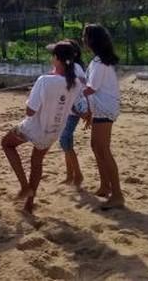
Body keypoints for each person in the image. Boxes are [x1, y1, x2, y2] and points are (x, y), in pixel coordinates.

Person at [1, 41, 81, 213]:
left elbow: (30, 111)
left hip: (34, 127)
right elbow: (73, 106)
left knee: (6, 144)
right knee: (36, 162)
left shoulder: (44, 80)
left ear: (56, 58)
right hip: (54, 130)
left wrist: (33, 94)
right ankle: (29, 204)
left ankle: (25, 186)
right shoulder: (75, 83)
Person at [82, 24, 124, 210]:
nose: (83, 40)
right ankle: (105, 186)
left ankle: (117, 195)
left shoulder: (99, 63)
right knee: (96, 146)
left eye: (85, 37)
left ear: (92, 40)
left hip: (104, 109)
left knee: (103, 149)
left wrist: (69, 89)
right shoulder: (97, 61)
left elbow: (90, 88)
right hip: (100, 108)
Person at [59, 39, 87, 187]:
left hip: (73, 110)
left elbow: (81, 86)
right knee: (66, 141)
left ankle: (78, 175)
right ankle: (70, 175)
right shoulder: (70, 67)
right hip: (68, 109)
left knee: (64, 140)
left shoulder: (75, 67)